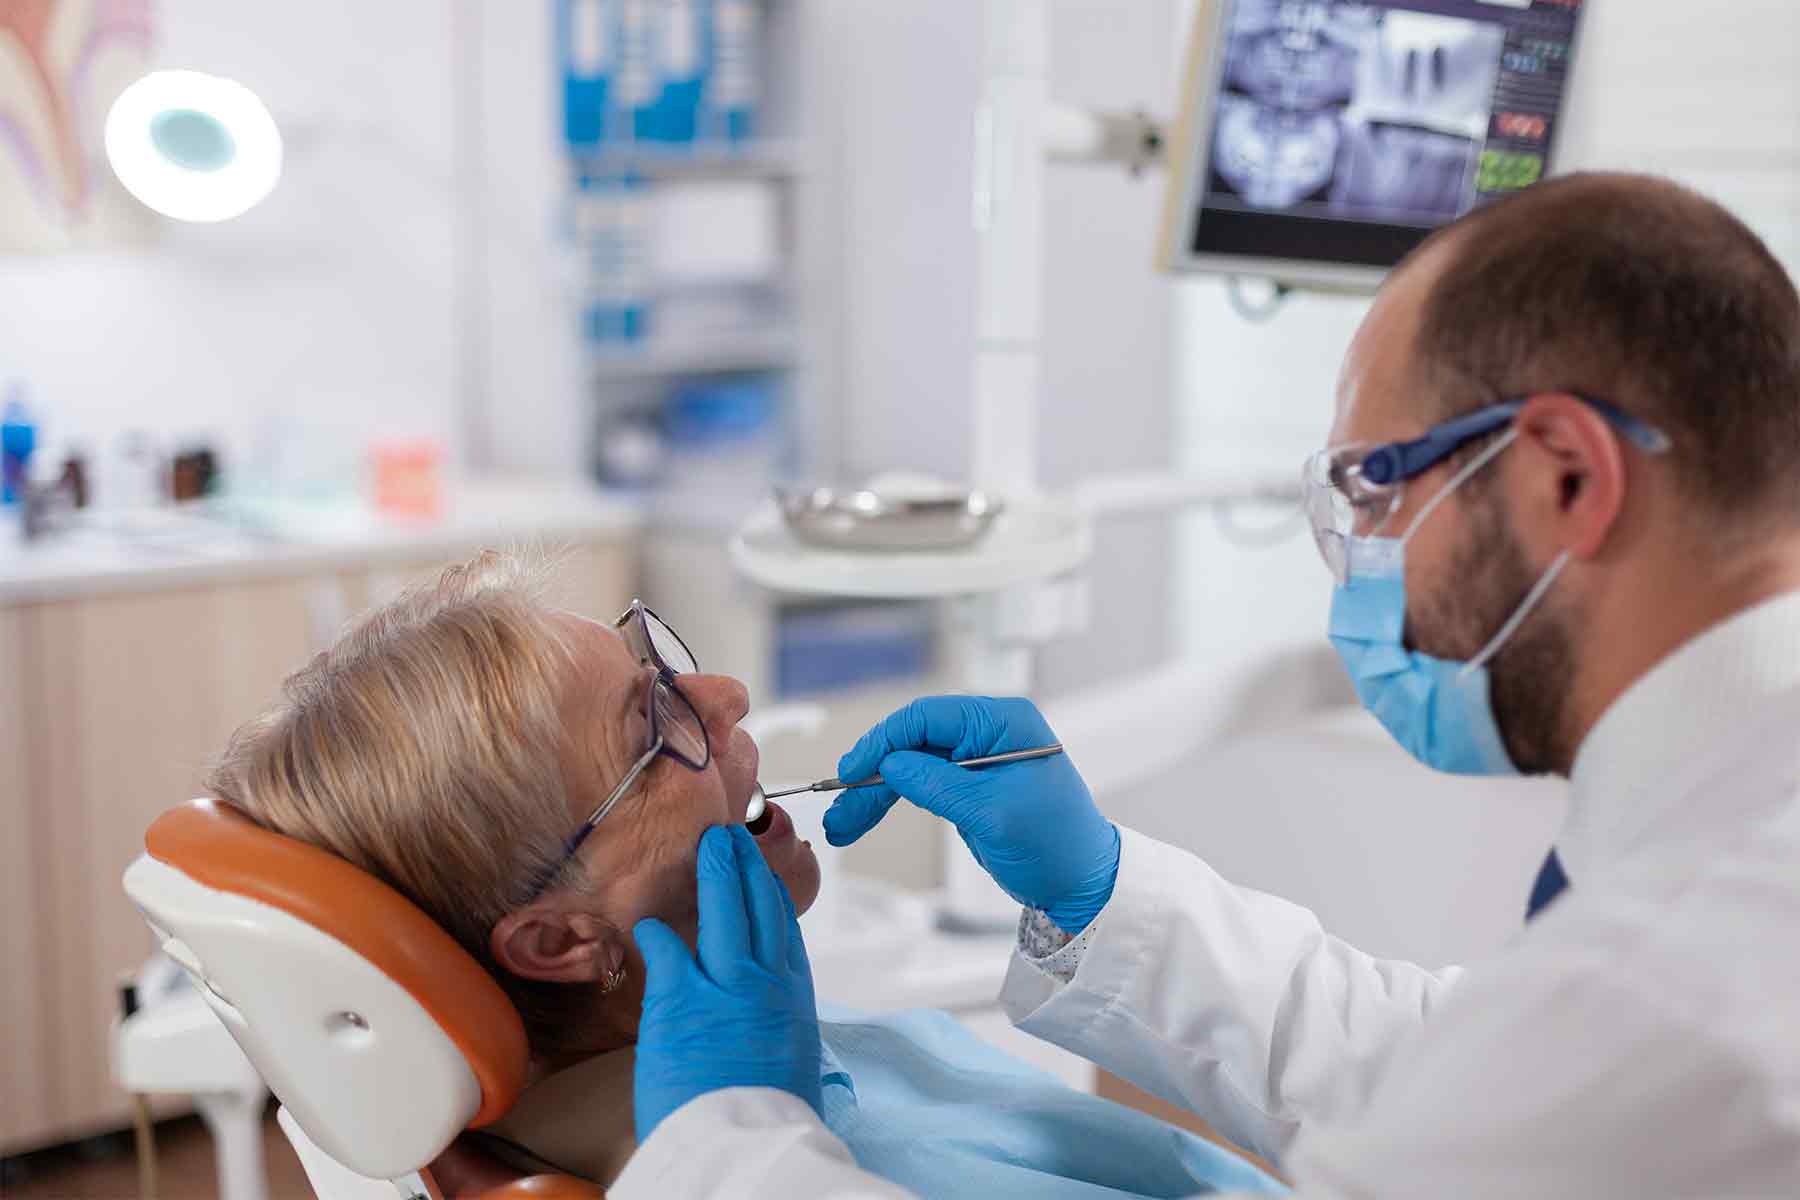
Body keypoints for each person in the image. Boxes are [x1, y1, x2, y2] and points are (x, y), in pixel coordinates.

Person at [613, 172, 1800, 1198]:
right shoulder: (1704, 877)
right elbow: (1486, 1075)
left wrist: (728, 1156)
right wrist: (1105, 892)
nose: (1359, 553)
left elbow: (1533, 1099)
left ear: (1564, 482)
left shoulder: (1683, 988)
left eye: (1376, 491)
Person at [206, 553, 1281, 1197]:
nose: (724, 695)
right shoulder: (819, 1161)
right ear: (561, 940)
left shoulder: (776, 1094)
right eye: (655, 719)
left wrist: (1098, 897)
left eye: (662, 667)